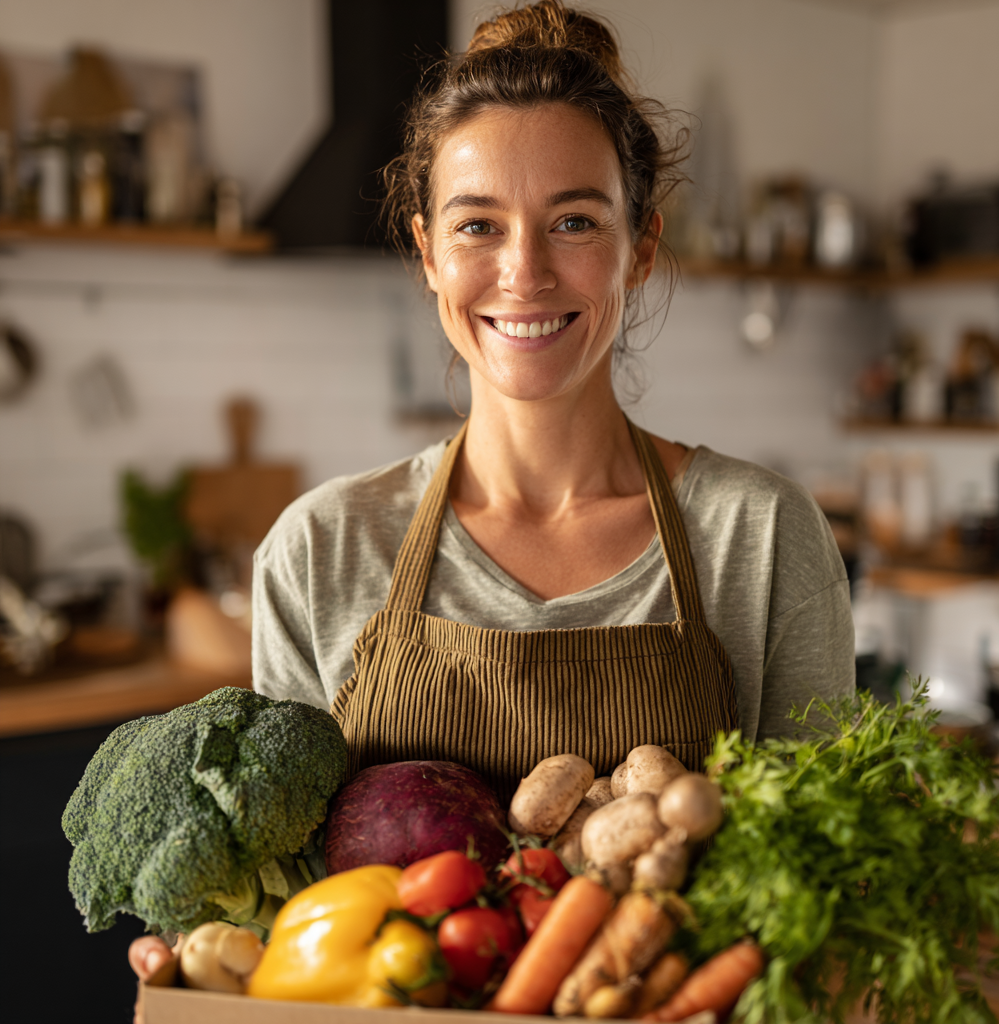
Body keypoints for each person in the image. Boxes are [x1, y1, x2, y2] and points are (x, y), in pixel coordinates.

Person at [131, 0, 854, 993]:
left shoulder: (759, 536)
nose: (523, 271)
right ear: (427, 252)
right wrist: (212, 948)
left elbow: (831, 894)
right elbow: (291, 913)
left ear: (639, 246)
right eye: (478, 224)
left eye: (573, 220)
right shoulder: (324, 550)